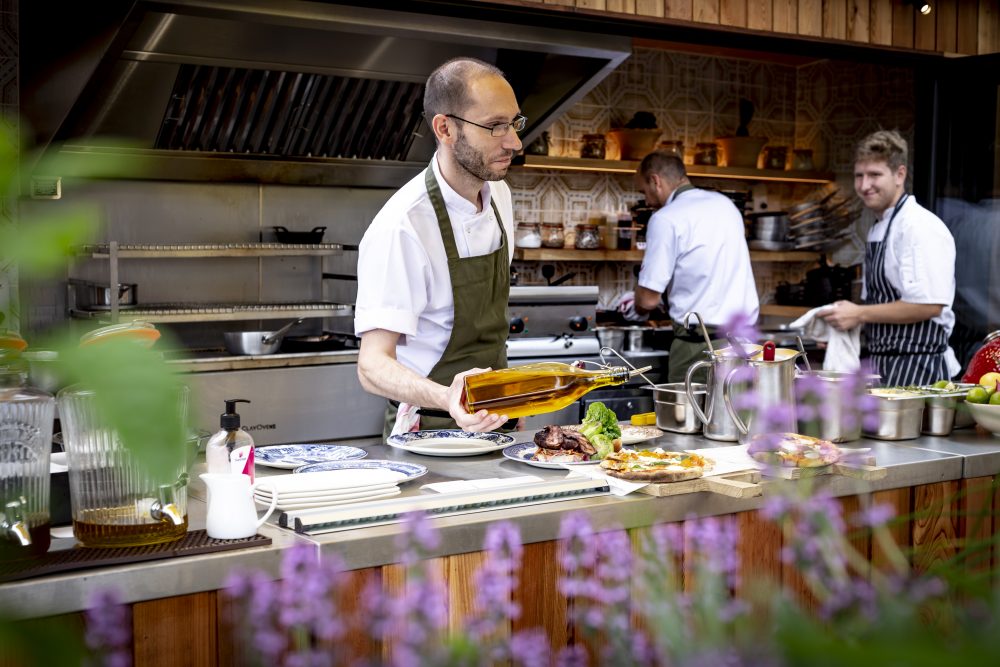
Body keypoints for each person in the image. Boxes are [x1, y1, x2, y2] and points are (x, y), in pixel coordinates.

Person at [354, 57, 523, 436]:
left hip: (496, 425)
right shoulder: (403, 225)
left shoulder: (500, 196)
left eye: (514, 123)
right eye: (496, 126)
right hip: (427, 434)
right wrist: (449, 399)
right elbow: (371, 366)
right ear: (445, 129)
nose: (515, 141)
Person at [819, 130, 960, 385]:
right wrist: (844, 324)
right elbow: (878, 307)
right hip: (885, 367)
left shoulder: (919, 227)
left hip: (921, 372)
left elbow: (928, 305)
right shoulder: (879, 226)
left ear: (899, 174)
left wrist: (859, 314)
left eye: (874, 175)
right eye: (858, 176)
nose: (864, 185)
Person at [630, 151, 759, 382]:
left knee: (685, 418)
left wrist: (634, 304)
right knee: (736, 417)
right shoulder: (726, 205)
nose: (647, 200)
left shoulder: (665, 218)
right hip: (743, 345)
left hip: (698, 347)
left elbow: (647, 300)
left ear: (655, 180)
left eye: (644, 191)